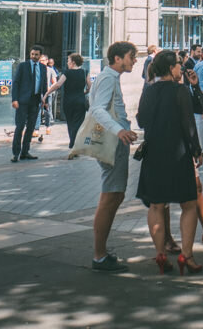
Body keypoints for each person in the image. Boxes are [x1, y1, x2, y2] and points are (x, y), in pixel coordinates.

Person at [136, 50, 203, 275]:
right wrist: (196, 150)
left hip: (154, 152)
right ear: (170, 68)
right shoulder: (180, 91)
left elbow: (141, 119)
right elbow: (189, 123)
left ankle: (160, 253)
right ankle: (187, 254)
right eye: (177, 64)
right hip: (179, 153)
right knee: (189, 204)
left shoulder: (150, 90)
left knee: (156, 204)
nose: (181, 67)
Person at [88, 40, 140, 273]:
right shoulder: (109, 77)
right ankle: (99, 255)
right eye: (131, 56)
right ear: (117, 58)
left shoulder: (106, 77)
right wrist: (119, 130)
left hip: (113, 140)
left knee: (114, 195)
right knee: (111, 196)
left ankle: (101, 253)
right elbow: (97, 109)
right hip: (113, 141)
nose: (134, 61)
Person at [11, 45, 48, 162]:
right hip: (22, 101)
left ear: (40, 55)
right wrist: (14, 99)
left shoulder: (43, 68)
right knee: (20, 126)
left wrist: (44, 98)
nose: (34, 56)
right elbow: (16, 83)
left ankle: (25, 152)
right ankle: (15, 153)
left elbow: (44, 83)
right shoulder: (23, 66)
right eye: (32, 54)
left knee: (31, 127)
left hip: (35, 100)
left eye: (36, 55)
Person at [44, 53, 89, 148]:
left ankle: (72, 142)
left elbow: (58, 84)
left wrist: (47, 93)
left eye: (68, 61)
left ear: (73, 62)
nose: (67, 63)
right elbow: (90, 86)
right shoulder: (85, 72)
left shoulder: (67, 72)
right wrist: (84, 92)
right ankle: (74, 143)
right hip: (80, 101)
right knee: (78, 123)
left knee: (70, 123)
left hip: (68, 101)